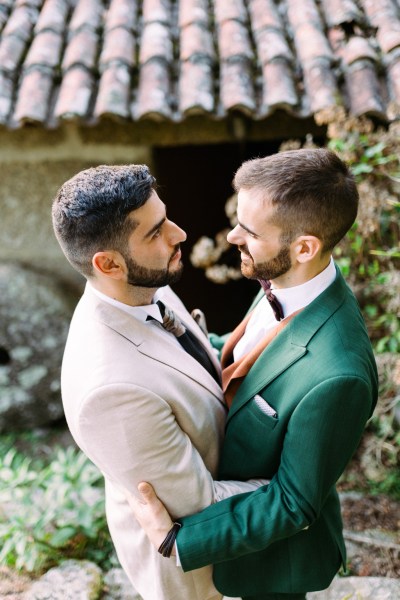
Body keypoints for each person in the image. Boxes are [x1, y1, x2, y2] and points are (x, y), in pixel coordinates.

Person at [127, 148, 379, 600]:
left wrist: (179, 541)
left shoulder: (339, 375)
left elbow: (293, 502)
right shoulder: (283, 279)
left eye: (249, 230)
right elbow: (246, 357)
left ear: (305, 247)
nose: (232, 236)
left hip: (272, 567)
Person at [51, 164, 267, 600]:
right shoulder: (109, 391)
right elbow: (200, 506)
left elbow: (195, 359)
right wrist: (304, 481)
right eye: (155, 232)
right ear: (107, 263)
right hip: (202, 579)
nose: (179, 233)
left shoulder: (145, 285)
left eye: (165, 217)